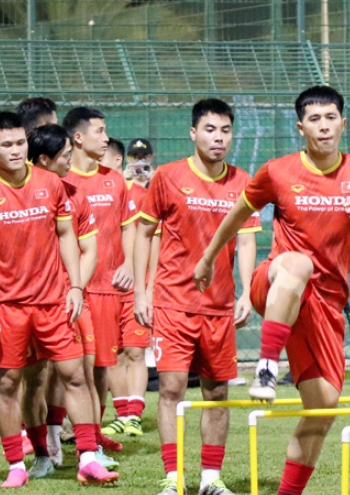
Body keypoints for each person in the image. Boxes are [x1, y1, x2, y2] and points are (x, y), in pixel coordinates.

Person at [193, 86, 350, 495]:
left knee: (323, 410)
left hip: (324, 306)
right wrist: (207, 259)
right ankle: (267, 366)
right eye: (314, 119)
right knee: (298, 263)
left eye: (330, 118)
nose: (323, 127)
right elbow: (238, 213)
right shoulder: (277, 171)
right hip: (275, 284)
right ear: (300, 127)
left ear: (343, 124)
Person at [0, 112, 119, 488]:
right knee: (12, 383)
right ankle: (18, 463)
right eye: (7, 145)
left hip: (54, 303)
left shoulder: (51, 184)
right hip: (7, 306)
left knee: (74, 376)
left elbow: (68, 236)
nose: (15, 151)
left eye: (20, 143)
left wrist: (76, 286)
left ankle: (87, 459)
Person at [136, 98, 260, 495]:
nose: (218, 138)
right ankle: (173, 479)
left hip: (220, 307)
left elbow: (245, 240)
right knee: (171, 387)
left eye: (225, 130)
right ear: (193, 133)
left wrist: (246, 291)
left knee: (217, 391)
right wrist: (142, 291)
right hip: (173, 302)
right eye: (210, 129)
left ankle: (210, 479)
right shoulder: (168, 177)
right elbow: (143, 234)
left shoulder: (244, 183)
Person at [62, 107, 137, 452]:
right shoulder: (61, 181)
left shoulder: (114, 179)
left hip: (108, 285)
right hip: (72, 288)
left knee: (103, 365)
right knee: (74, 366)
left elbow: (129, 227)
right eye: (100, 131)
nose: (106, 138)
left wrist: (131, 266)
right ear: (78, 137)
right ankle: (59, 431)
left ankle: (93, 431)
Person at [102, 138, 152, 438]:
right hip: (103, 286)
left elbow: (150, 238)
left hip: (135, 284)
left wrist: (134, 270)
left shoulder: (138, 194)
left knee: (135, 351)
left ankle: (135, 414)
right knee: (112, 353)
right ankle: (121, 413)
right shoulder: (89, 190)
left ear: (118, 161)